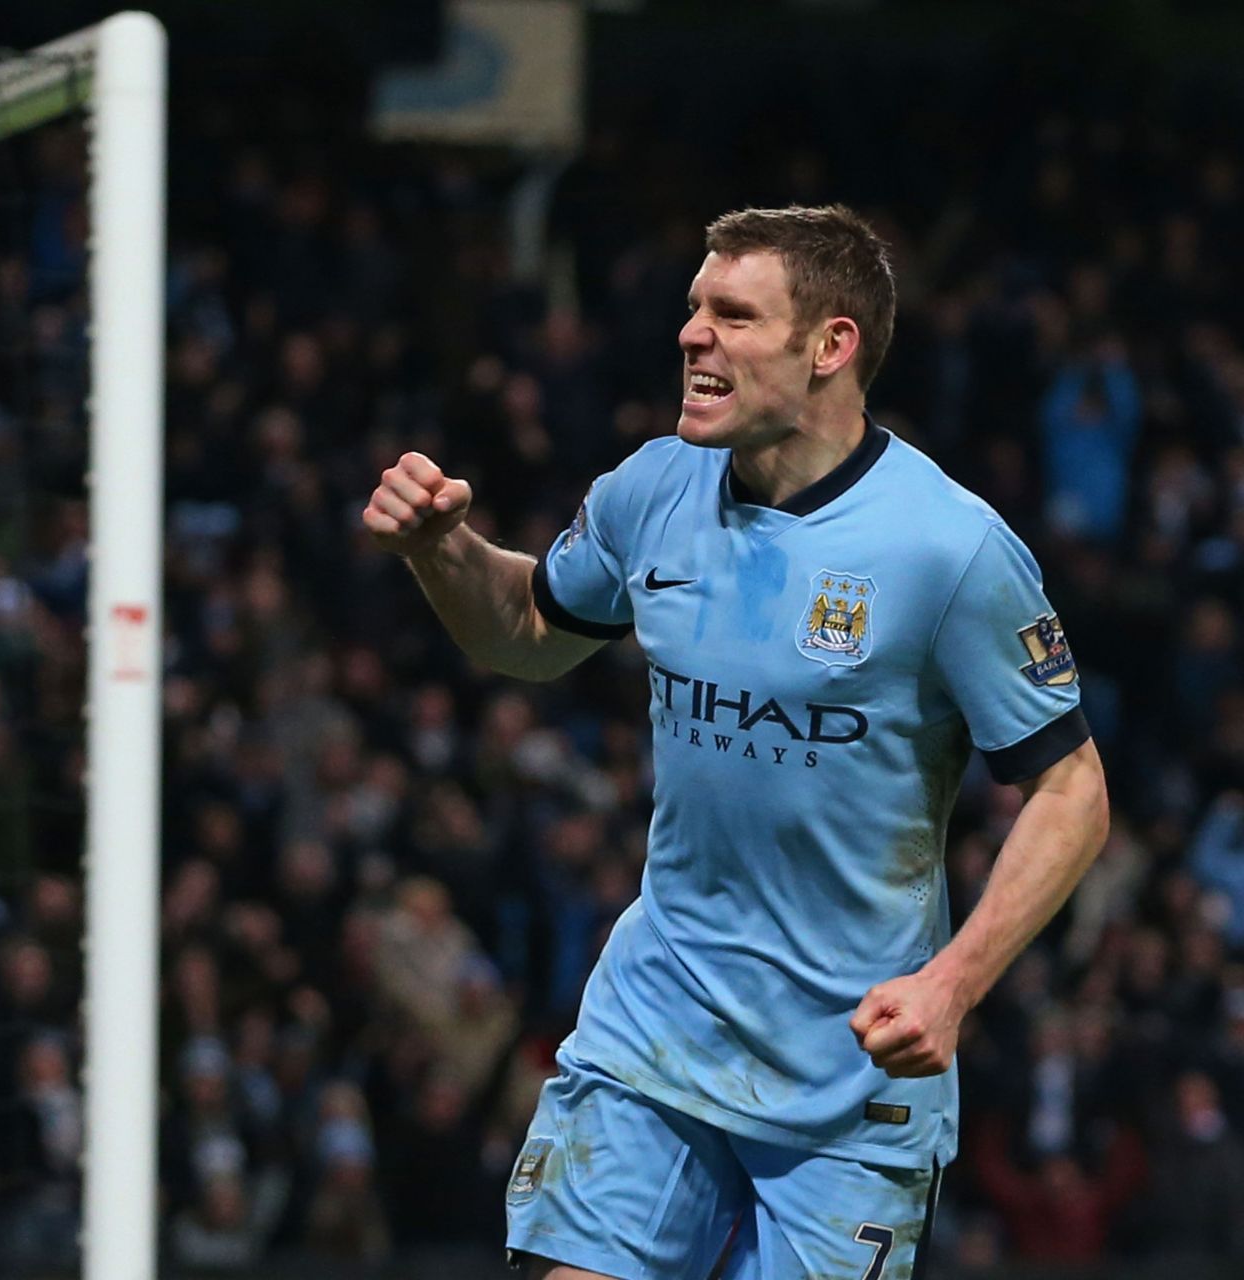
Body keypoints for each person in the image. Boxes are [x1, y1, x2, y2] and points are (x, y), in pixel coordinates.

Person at [362, 204, 1109, 1280]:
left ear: (830, 345)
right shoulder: (652, 488)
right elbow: (530, 632)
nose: (691, 334)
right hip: (653, 1032)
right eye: (693, 309)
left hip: (848, 1082)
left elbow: (1071, 790)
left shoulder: (947, 549)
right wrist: (443, 550)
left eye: (733, 314)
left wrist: (952, 982)